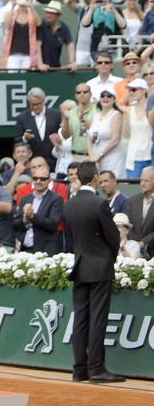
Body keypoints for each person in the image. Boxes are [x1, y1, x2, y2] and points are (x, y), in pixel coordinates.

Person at [62, 160, 123, 383]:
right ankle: (96, 369)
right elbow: (113, 237)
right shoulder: (99, 204)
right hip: (99, 268)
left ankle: (79, 369)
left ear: (78, 178)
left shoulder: (68, 205)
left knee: (80, 318)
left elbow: (70, 237)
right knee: (97, 318)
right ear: (95, 178)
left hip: (80, 266)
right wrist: (110, 258)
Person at [13, 165, 64, 254]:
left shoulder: (56, 199)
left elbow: (53, 224)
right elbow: (15, 224)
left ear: (49, 180)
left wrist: (32, 216)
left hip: (46, 249)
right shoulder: (25, 199)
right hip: (26, 249)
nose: (38, 181)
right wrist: (24, 221)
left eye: (42, 179)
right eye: (35, 178)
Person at [13, 87, 62, 170]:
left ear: (43, 101)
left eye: (38, 104)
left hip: (54, 161)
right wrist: (25, 138)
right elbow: (17, 139)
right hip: (33, 163)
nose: (35, 107)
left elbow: (63, 134)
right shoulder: (22, 118)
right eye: (32, 104)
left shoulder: (56, 114)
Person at [87, 90, 126, 179]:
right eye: (102, 96)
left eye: (109, 96)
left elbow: (115, 140)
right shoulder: (96, 116)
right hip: (97, 160)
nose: (105, 98)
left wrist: (99, 156)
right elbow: (89, 138)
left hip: (113, 159)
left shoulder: (116, 114)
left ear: (114, 99)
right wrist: (92, 157)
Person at [123, 164, 154, 257]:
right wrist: (134, 244)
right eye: (141, 180)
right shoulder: (133, 200)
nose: (142, 183)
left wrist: (143, 243)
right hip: (132, 252)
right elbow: (127, 224)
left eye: (146, 181)